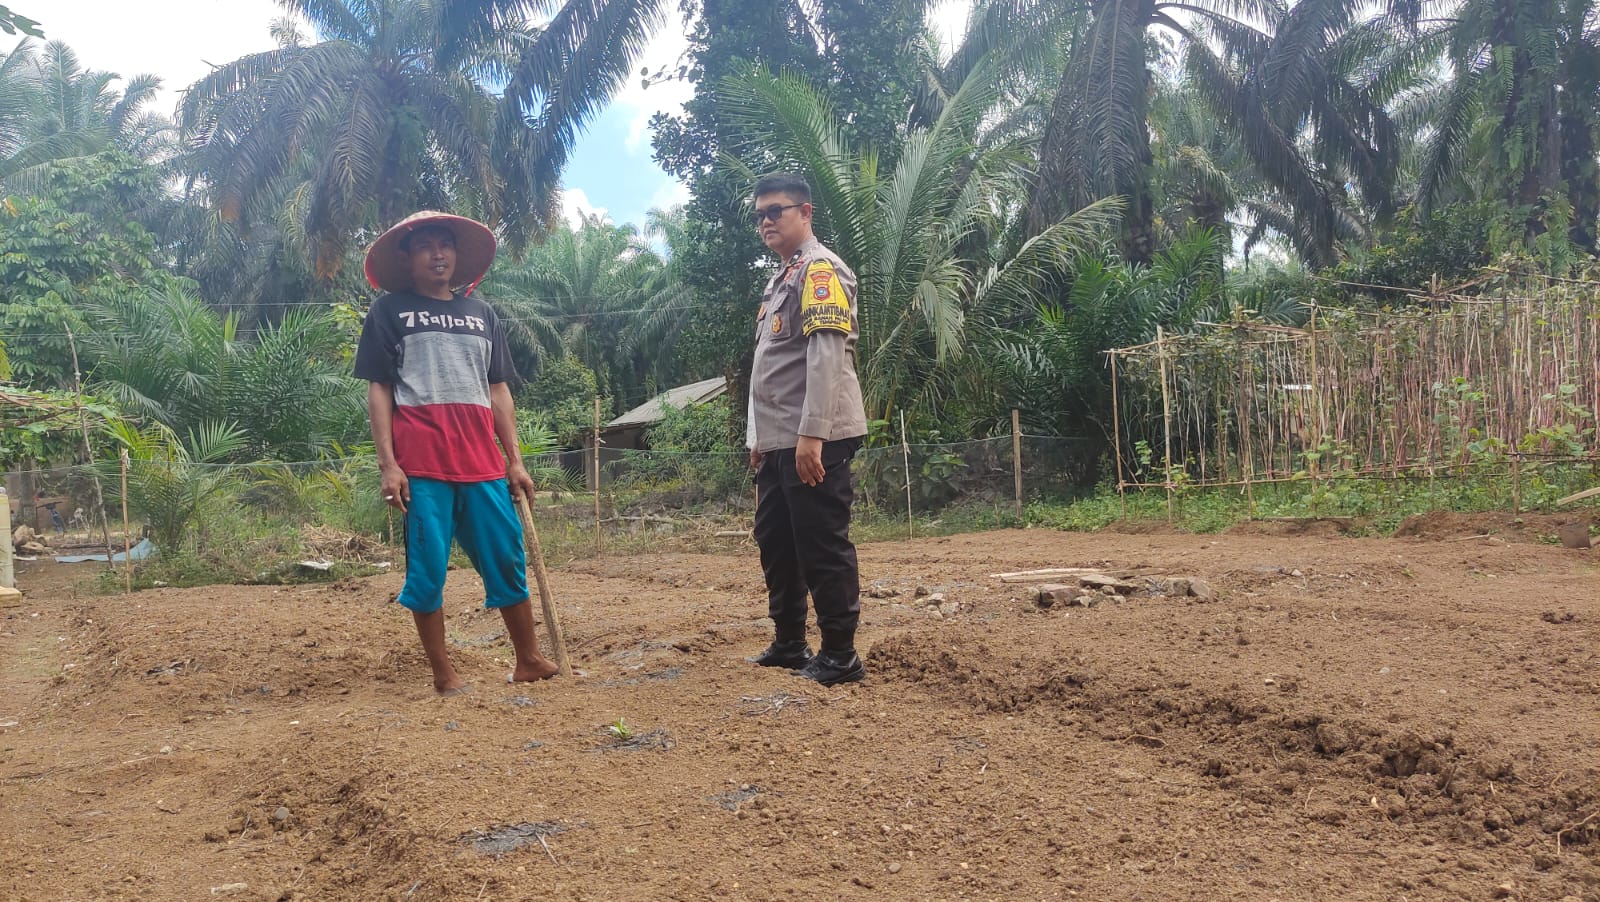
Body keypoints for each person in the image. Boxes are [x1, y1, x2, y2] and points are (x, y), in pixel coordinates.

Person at [354, 210, 559, 696]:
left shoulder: (481, 314)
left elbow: (499, 392)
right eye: (425, 246)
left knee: (506, 558)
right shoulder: (389, 312)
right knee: (427, 570)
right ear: (409, 258)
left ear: (456, 254)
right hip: (422, 467)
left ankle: (528, 659)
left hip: (482, 464)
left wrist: (516, 459)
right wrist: (388, 464)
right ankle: (444, 675)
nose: (437, 253)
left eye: (444, 244)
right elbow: (380, 390)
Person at [745, 173, 870, 686]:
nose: (767, 221)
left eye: (777, 210)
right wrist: (759, 438)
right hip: (779, 439)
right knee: (777, 541)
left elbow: (826, 355)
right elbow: (768, 365)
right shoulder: (781, 279)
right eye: (760, 215)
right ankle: (790, 642)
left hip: (814, 435)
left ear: (806, 213)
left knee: (820, 541)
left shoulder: (820, 270)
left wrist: (811, 435)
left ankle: (840, 654)